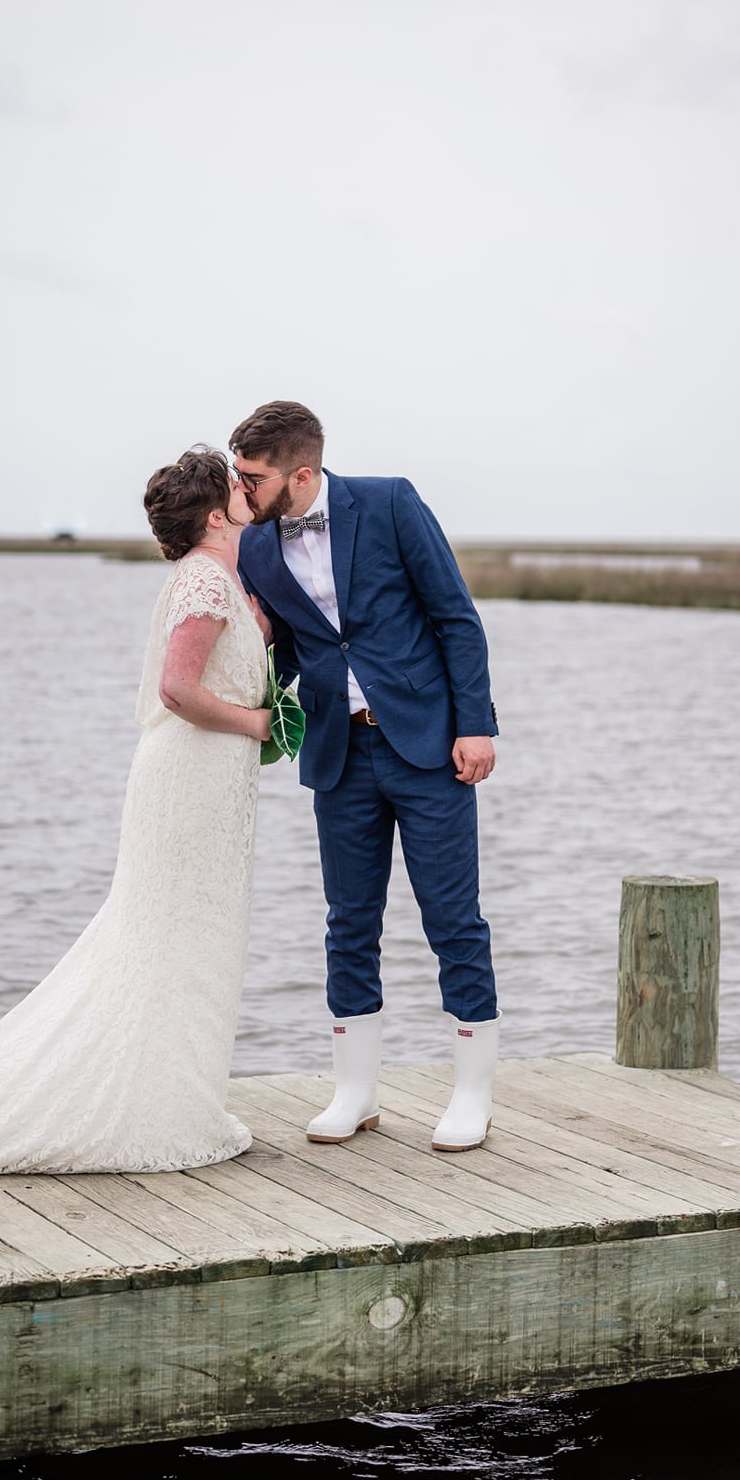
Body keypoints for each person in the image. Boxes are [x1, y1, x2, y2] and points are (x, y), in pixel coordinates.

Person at [0, 448, 270, 1175]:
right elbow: (176, 689)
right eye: (234, 484)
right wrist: (259, 724)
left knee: (191, 940)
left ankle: (170, 1098)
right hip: (190, 776)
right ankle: (134, 1109)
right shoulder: (203, 576)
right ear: (212, 514)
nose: (244, 489)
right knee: (165, 934)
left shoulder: (222, 573)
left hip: (214, 782)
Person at [231, 401, 500, 1153]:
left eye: (252, 476)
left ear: (302, 473)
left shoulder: (387, 502)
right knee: (348, 924)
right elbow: (294, 651)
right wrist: (259, 651)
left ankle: (471, 1095)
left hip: (428, 748)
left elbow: (454, 616)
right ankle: (355, 1092)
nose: (240, 487)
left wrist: (475, 724)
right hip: (336, 756)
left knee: (453, 921)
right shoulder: (253, 547)